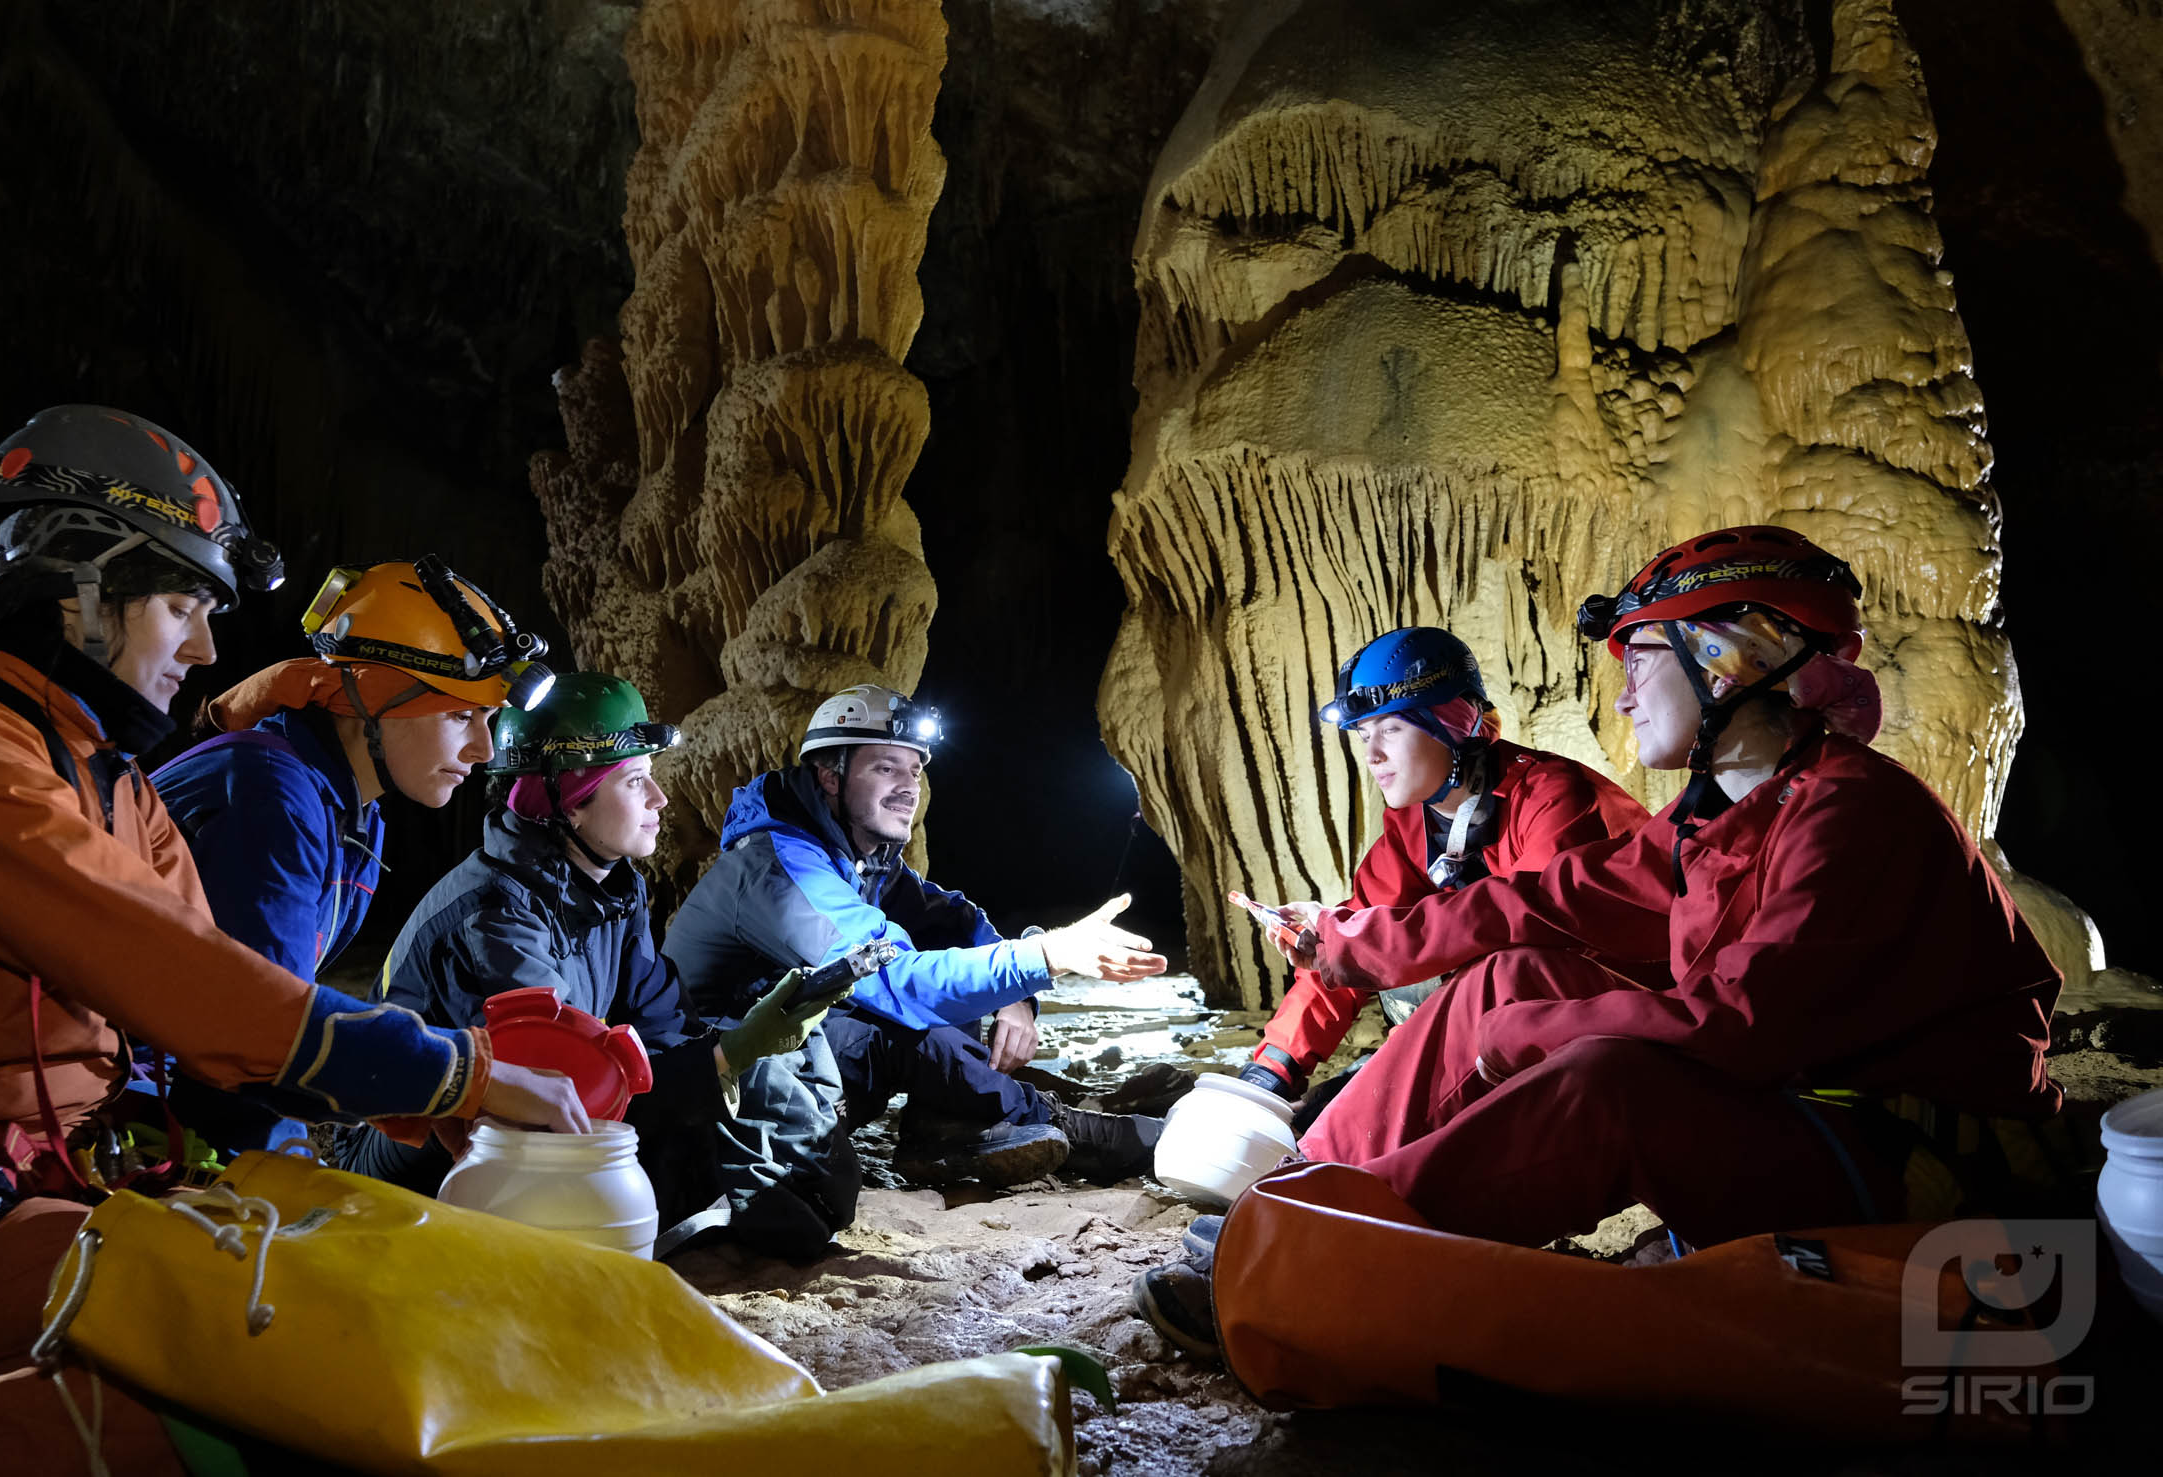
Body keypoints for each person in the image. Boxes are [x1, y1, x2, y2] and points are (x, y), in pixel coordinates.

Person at [0, 406, 589, 1473]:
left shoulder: (118, 785)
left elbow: (203, 1016)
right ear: (80, 596)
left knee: (376, 1291)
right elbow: (200, 990)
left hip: (61, 1189)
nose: (210, 649)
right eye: (183, 607)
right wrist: (453, 1074)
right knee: (292, 1379)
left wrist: (404, 1105)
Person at [1135, 527, 2065, 1362]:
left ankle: (1311, 1260)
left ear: (1727, 660)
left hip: (1910, 1162)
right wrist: (1359, 945)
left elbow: (1735, 1025)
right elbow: (1540, 903)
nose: (1622, 696)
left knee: (1605, 1082)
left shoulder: (1850, 815)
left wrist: (1538, 1032)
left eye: (1642, 658)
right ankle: (1293, 1199)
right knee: (1509, 977)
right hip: (1795, 1115)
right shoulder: (1730, 810)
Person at [337, 674, 853, 1257]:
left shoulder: (611, 888)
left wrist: (743, 1056)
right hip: (410, 1162)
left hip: (531, 1124)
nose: (659, 800)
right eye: (636, 781)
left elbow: (664, 1026)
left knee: (727, 1103)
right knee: (689, 1096)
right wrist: (733, 1054)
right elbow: (555, 1091)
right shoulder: (496, 918)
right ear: (571, 805)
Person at [662, 684, 1173, 1188]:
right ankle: (1081, 1134)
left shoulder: (862, 861)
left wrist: (1017, 999)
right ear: (829, 776)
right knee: (907, 1028)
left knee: (952, 980)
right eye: (885, 767)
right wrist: (1044, 956)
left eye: (915, 769)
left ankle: (946, 1131)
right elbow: (897, 985)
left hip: (794, 1063)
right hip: (717, 1095)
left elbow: (958, 922)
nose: (908, 786)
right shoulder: (780, 867)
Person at [149, 557, 545, 1156]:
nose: (484, 748)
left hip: (184, 1108)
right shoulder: (270, 794)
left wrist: (404, 1093)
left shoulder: (354, 817)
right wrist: (452, 1080)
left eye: (489, 719)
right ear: (375, 703)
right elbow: (260, 1040)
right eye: (461, 714)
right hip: (125, 1113)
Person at [1236, 626, 1648, 1110]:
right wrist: (1273, 1068)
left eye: (1391, 728)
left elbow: (1531, 931)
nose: (1372, 755)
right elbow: (1354, 934)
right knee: (1371, 1001)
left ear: (1453, 724)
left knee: (1453, 971)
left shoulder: (1550, 796)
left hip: (1615, 1024)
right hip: (1499, 1026)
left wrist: (1360, 938)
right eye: (1365, 735)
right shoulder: (1411, 827)